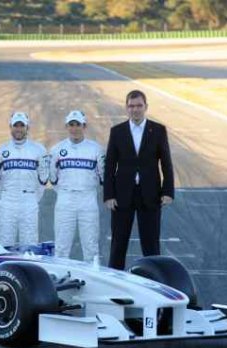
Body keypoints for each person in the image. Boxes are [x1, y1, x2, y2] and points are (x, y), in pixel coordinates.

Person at [104, 90, 174, 270]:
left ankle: (155, 282)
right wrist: (109, 195)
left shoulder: (158, 130)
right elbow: (110, 165)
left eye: (139, 106)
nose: (135, 110)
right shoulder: (117, 131)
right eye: (131, 106)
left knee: (151, 245)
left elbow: (166, 162)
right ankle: (115, 280)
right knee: (118, 243)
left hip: (150, 194)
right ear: (126, 108)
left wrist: (168, 191)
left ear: (146, 107)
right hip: (122, 195)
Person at [49, 110, 105, 261]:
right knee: (61, 246)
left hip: (88, 199)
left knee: (91, 246)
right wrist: (65, 192)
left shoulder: (96, 149)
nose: (74, 128)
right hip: (65, 199)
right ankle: (61, 279)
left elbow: (102, 177)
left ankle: (93, 281)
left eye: (78, 124)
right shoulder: (56, 150)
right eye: (71, 125)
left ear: (84, 126)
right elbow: (53, 178)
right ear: (67, 126)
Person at [0, 112, 48, 247]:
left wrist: (32, 198)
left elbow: (43, 180)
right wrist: (5, 197)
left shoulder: (39, 150)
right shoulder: (0, 150)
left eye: (22, 125)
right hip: (7, 201)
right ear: (11, 127)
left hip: (29, 201)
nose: (18, 129)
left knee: (29, 245)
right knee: (4, 243)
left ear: (27, 127)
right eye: (15, 125)